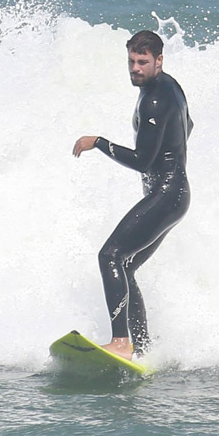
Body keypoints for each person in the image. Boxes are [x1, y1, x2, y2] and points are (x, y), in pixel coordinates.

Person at [72, 30, 193, 360]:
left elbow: (142, 161)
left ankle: (122, 342)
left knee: (109, 256)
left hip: (166, 194)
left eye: (143, 62)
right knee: (124, 265)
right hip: (175, 194)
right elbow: (188, 125)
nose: (135, 68)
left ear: (159, 60)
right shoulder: (171, 87)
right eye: (131, 61)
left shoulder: (155, 99)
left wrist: (97, 142)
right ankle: (141, 345)